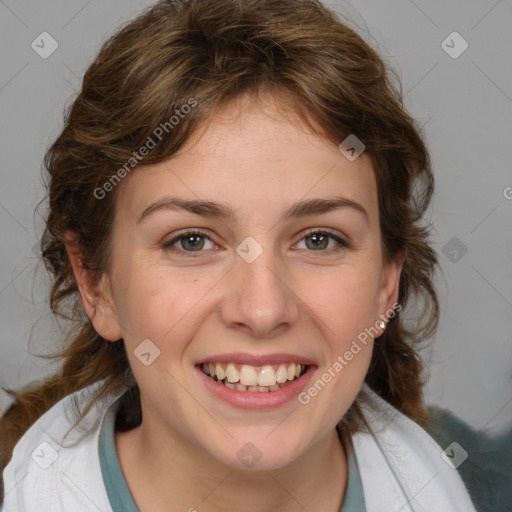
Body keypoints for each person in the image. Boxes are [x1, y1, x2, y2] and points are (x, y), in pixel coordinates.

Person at [1, 0, 510, 510]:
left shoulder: (489, 485)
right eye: (192, 241)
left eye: (319, 239)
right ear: (97, 285)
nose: (263, 310)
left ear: (386, 285)